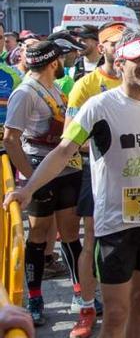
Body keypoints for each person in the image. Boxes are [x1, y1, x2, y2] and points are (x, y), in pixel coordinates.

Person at [6, 30, 140, 337]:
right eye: (138, 59)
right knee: (116, 313)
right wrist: (28, 189)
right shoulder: (100, 106)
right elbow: (64, 150)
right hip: (114, 227)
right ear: (120, 63)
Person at [3, 41, 84, 326]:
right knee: (38, 236)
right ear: (53, 63)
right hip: (38, 166)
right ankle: (35, 297)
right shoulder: (24, 92)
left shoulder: (55, 87)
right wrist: (31, 181)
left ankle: (80, 293)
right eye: (61, 58)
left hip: (67, 167)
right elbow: (10, 140)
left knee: (70, 233)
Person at [63, 22, 125, 337]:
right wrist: (107, 140)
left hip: (134, 174)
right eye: (115, 43)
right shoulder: (85, 85)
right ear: (102, 49)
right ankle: (87, 306)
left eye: (126, 42)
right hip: (97, 172)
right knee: (92, 240)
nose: (121, 48)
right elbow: (70, 138)